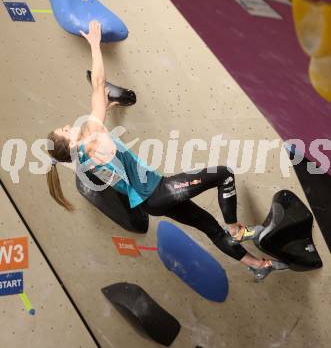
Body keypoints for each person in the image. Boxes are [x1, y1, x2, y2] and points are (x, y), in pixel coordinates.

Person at [46, 21, 287, 281]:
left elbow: (106, 145)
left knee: (208, 225)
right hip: (159, 192)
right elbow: (98, 83)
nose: (69, 126)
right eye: (65, 130)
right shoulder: (91, 135)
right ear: (70, 144)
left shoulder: (83, 158)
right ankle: (236, 229)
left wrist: (108, 108)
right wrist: (94, 45)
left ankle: (259, 265)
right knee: (223, 174)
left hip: (151, 202)